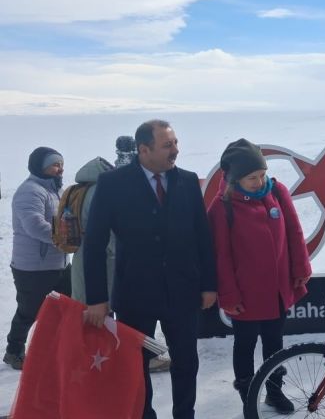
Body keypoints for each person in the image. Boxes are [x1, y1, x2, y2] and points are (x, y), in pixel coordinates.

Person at [83, 120, 218, 419]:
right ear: (144, 150)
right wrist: (97, 299)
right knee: (135, 364)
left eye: (176, 142)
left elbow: (202, 237)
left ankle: (185, 414)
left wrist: (209, 284)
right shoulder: (113, 184)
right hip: (135, 293)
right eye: (167, 145)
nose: (176, 150)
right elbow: (93, 244)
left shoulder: (187, 181)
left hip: (183, 291)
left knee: (186, 361)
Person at [207, 139, 311, 414]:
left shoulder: (277, 191)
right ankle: (248, 395)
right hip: (246, 296)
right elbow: (221, 256)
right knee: (245, 345)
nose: (259, 182)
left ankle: (275, 391)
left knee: (274, 343)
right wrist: (229, 295)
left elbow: (294, 232)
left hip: (277, 290)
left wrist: (300, 269)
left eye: (262, 174)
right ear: (234, 178)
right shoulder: (222, 207)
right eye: (252, 177)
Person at [4, 147, 70, 370]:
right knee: (29, 311)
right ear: (40, 167)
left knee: (69, 305)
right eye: (55, 165)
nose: (60, 169)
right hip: (32, 267)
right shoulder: (30, 191)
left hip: (58, 262)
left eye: (61, 164)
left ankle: (58, 347)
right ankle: (13, 351)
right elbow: (34, 225)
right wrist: (65, 238)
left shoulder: (56, 191)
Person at [114, 134, 172, 373]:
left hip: (130, 271)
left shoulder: (117, 177)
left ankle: (141, 356)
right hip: (131, 271)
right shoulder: (120, 182)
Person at [69, 157, 115, 305]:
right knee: (97, 308)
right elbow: (109, 233)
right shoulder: (100, 191)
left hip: (80, 253)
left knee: (82, 303)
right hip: (100, 259)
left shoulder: (81, 189)